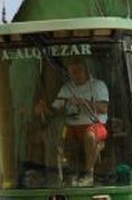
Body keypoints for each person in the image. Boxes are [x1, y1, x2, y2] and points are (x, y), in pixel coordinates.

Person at [34, 56, 109, 186]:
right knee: (54, 136)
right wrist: (43, 109)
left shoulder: (98, 85)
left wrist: (83, 102)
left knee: (90, 135)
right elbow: (55, 110)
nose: (75, 74)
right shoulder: (67, 88)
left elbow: (103, 108)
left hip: (95, 124)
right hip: (71, 125)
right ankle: (63, 172)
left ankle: (88, 173)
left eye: (78, 70)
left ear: (86, 70)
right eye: (72, 72)